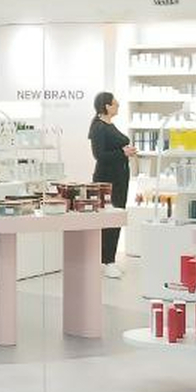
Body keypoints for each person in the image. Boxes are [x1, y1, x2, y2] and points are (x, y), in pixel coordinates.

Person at [88, 91, 133, 278]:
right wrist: (123, 153)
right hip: (107, 180)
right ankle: (107, 261)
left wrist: (125, 152)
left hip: (119, 178)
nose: (118, 105)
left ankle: (109, 259)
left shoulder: (109, 125)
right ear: (107, 106)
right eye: (115, 103)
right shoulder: (98, 127)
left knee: (116, 219)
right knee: (109, 220)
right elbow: (99, 155)